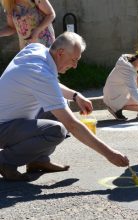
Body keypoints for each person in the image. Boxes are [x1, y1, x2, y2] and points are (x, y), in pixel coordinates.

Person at [0, 31, 129, 181]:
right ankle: (5, 161)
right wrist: (110, 154)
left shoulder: (37, 49)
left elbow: (48, 84)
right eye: (74, 60)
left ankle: (38, 160)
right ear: (60, 53)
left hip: (10, 121)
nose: (75, 66)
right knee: (56, 131)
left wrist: (75, 95)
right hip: (3, 127)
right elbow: (72, 125)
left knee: (63, 103)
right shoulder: (40, 73)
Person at [103, 48, 138, 121]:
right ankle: (115, 108)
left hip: (120, 91)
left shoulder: (131, 59)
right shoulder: (127, 71)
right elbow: (134, 93)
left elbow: (137, 66)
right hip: (114, 98)